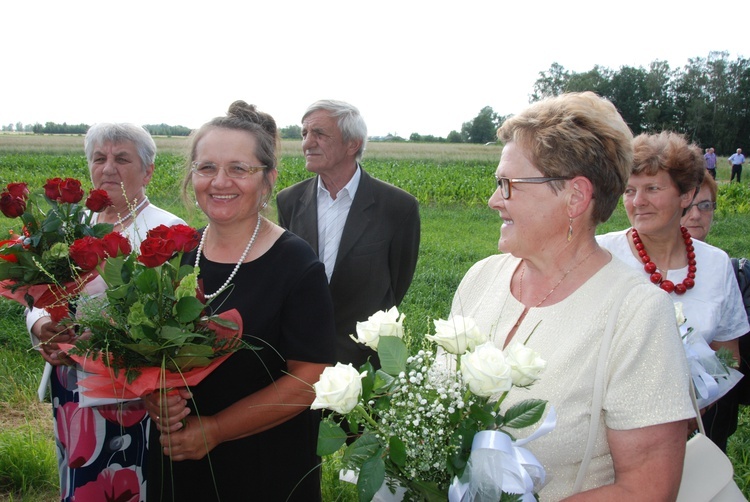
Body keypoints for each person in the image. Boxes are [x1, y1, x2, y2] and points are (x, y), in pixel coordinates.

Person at [450, 92, 694, 500]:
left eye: (507, 185)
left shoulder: (636, 313)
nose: (493, 200)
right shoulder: (481, 279)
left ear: (575, 197)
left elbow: (648, 489)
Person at [143, 101, 336, 501]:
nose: (219, 181)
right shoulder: (176, 256)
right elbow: (148, 353)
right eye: (207, 167)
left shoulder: (296, 264)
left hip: (264, 467)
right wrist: (154, 397)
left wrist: (214, 430)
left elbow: (308, 379)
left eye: (238, 168)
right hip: (178, 460)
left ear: (268, 180)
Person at [26, 123, 185, 501]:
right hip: (70, 383)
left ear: (147, 171)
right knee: (77, 477)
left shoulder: (168, 229)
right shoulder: (70, 225)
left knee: (126, 483)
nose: (108, 168)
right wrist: (42, 324)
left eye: (122, 158)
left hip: (131, 389)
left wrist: (103, 335)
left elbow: (171, 316)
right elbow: (34, 290)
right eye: (99, 158)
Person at [276, 99, 420, 369]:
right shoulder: (289, 201)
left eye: (319, 133)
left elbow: (397, 282)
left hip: (362, 359)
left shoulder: (398, 207)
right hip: (298, 354)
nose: (307, 142)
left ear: (352, 144)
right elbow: (287, 274)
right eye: (304, 134)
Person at [598, 132, 747, 377]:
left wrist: (702, 398)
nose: (638, 201)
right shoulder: (600, 254)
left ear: (686, 195)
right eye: (629, 190)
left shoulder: (716, 263)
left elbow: (728, 356)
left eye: (652, 188)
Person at [680, 173, 750, 451]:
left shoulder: (727, 268)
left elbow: (730, 352)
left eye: (706, 206)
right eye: (689, 206)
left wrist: (703, 399)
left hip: (712, 411)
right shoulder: (629, 262)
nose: (696, 215)